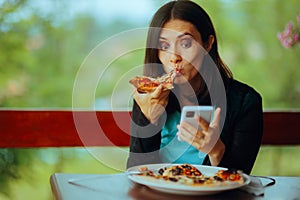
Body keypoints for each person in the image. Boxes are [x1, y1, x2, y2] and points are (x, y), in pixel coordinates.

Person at [127, 0, 263, 175]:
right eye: (164, 46)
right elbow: (136, 173)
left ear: (207, 44)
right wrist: (148, 121)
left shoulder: (245, 102)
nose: (174, 57)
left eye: (185, 44)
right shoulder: (148, 97)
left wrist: (216, 150)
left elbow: (239, 179)